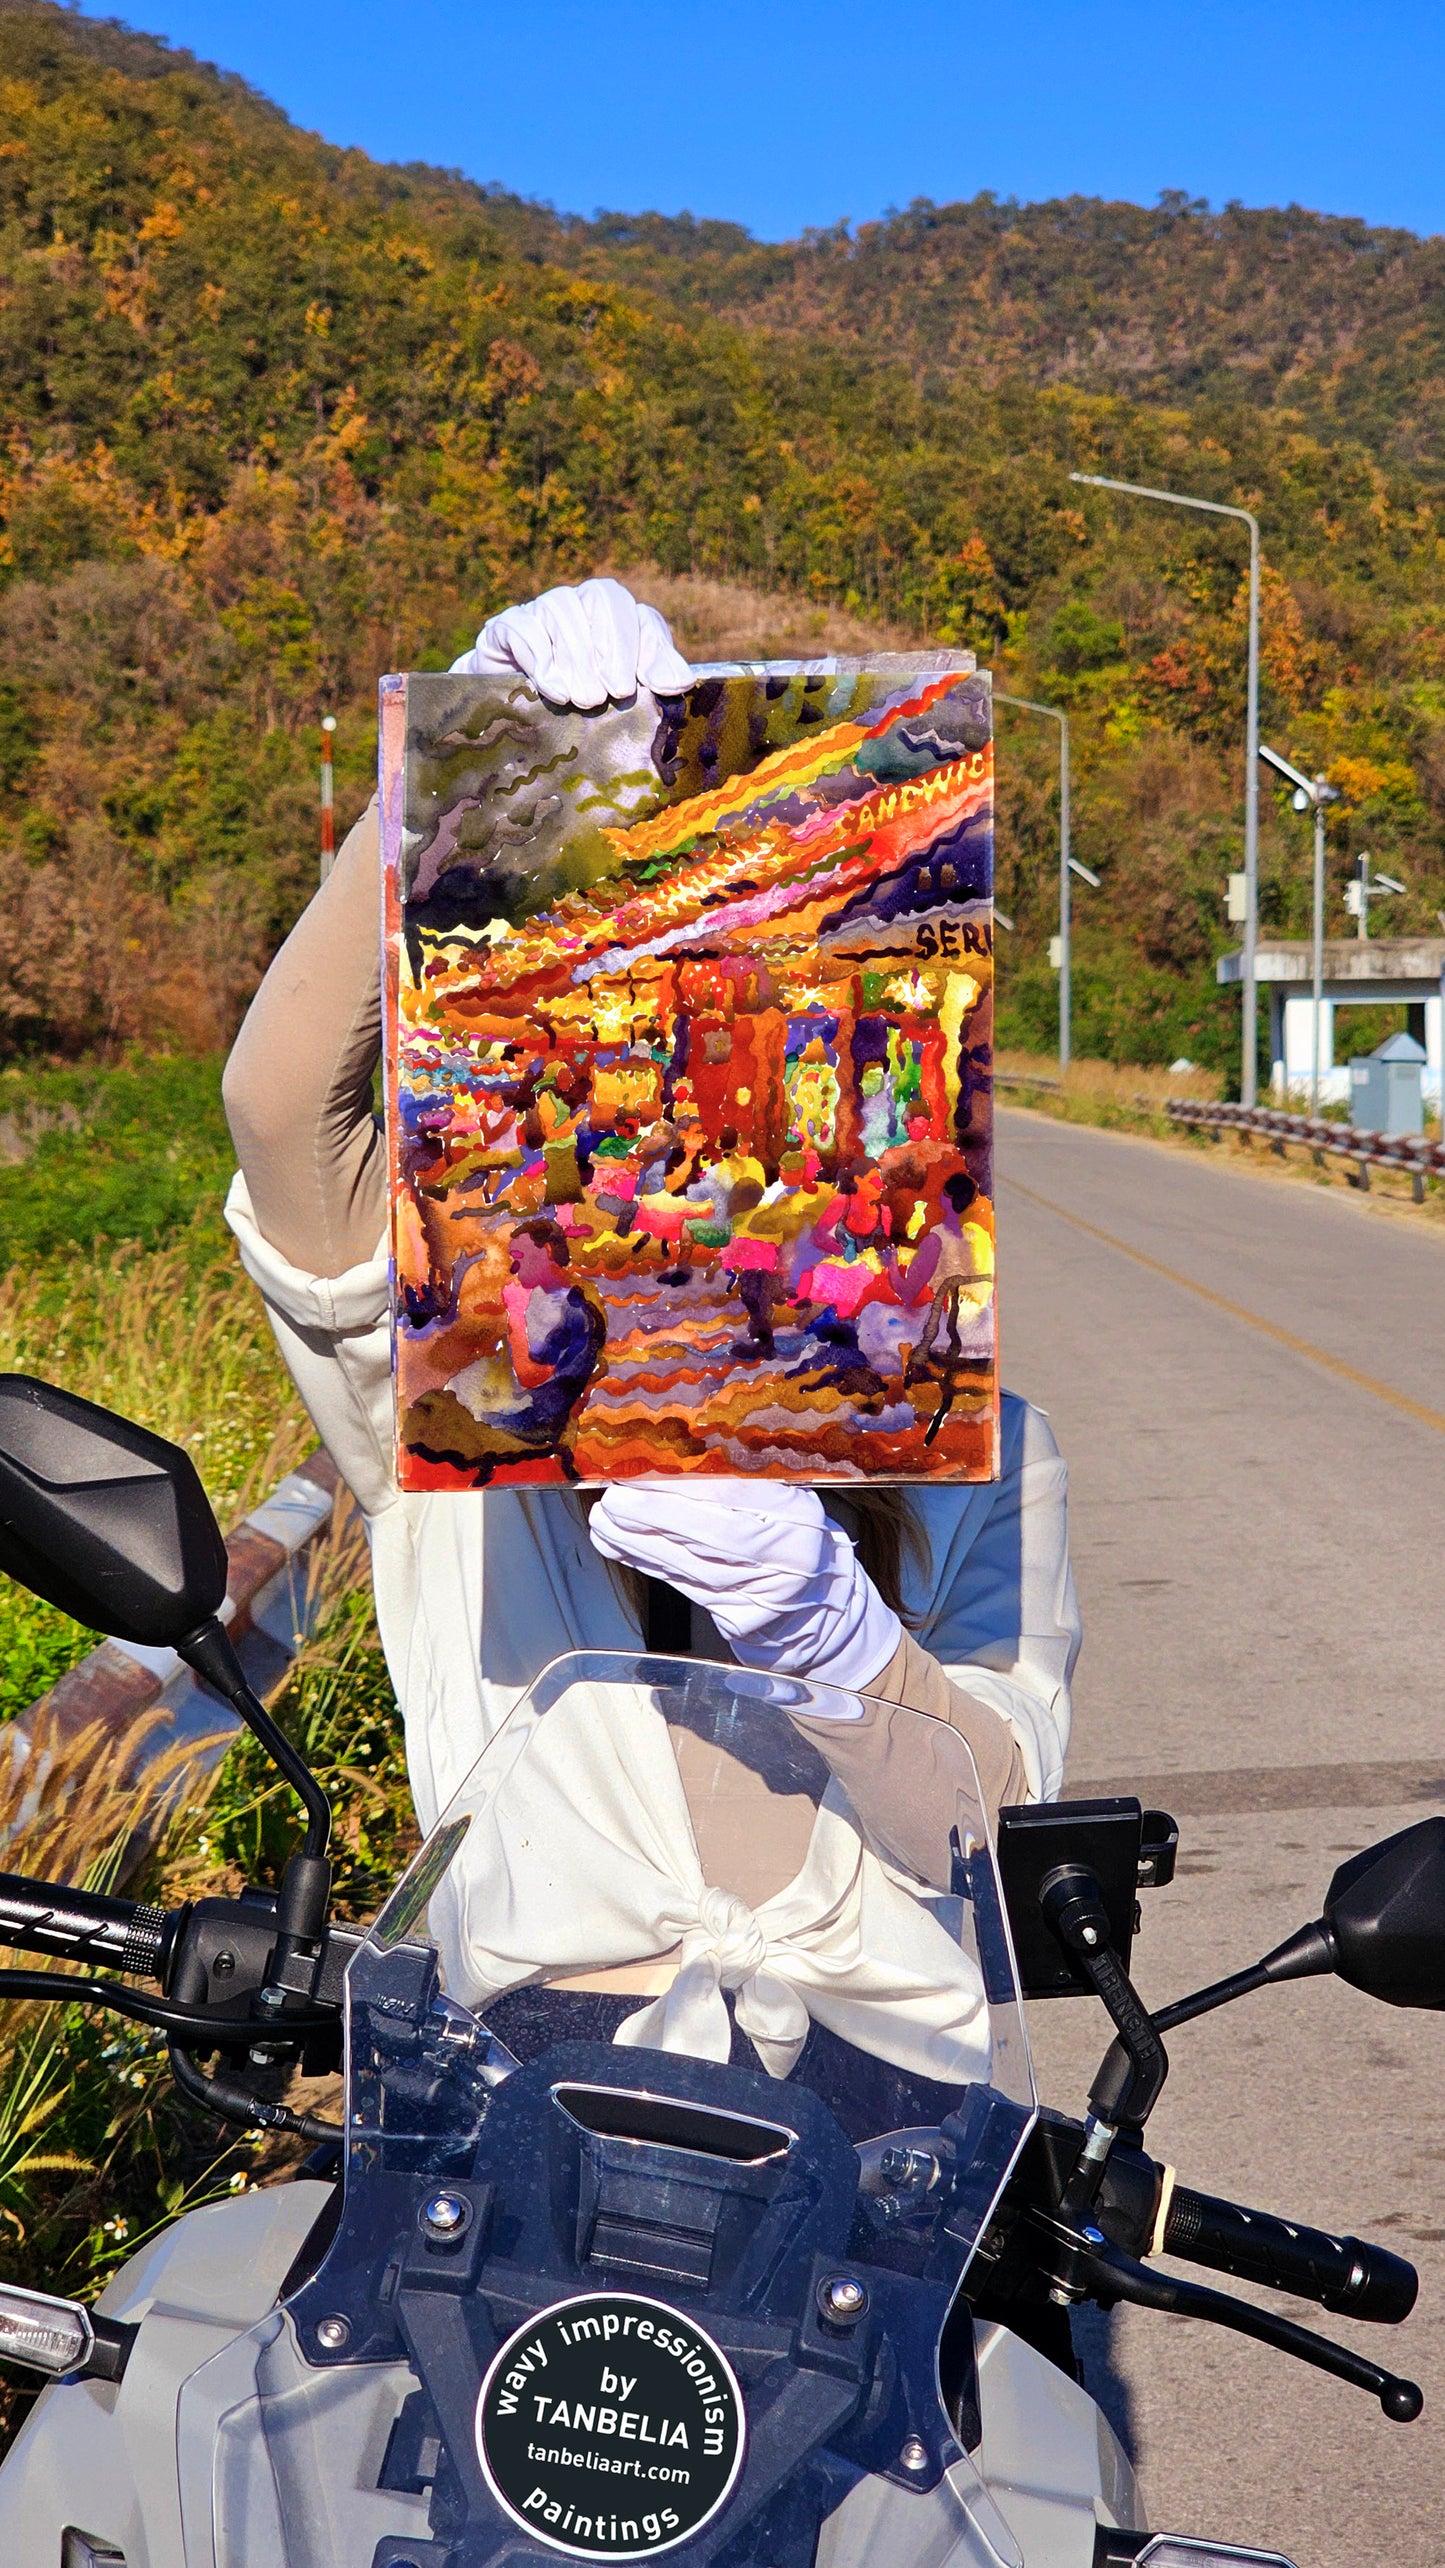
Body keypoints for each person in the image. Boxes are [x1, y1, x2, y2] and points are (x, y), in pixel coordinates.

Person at [221, 577, 1080, 2043]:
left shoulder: (986, 1444)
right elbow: (282, 1105)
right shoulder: (465, 1404)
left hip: (886, 2123)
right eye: (645, 1068)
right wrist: (461, 776)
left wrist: (833, 1637)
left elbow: (983, 1833)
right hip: (531, 2097)